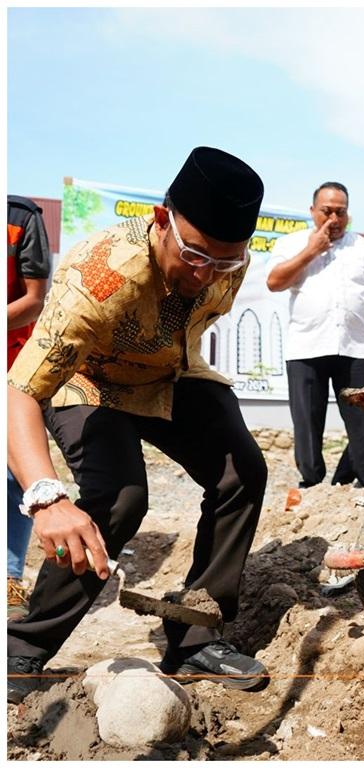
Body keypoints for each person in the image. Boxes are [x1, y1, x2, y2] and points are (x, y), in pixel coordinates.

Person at [7, 147, 270, 704]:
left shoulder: (228, 259)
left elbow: (200, 295)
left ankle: (196, 637)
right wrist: (46, 497)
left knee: (242, 471)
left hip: (169, 371)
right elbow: (18, 392)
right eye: (194, 255)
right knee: (120, 499)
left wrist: (216, 263)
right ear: (161, 221)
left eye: (222, 263)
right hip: (90, 380)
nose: (205, 275)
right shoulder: (96, 279)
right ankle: (22, 649)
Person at [266, 182, 364, 488]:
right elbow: (274, 282)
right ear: (312, 212)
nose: (333, 219)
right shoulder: (290, 244)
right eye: (326, 212)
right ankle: (312, 483)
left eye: (340, 212)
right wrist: (311, 251)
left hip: (356, 347)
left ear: (348, 214)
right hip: (306, 348)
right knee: (307, 422)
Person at [7, 195, 51, 621]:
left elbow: (35, 299)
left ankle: (8, 577)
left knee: (12, 472)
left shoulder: (19, 219)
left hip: (12, 367)